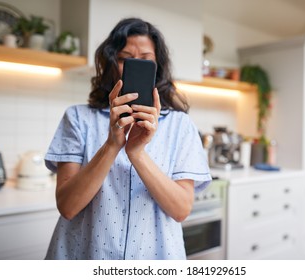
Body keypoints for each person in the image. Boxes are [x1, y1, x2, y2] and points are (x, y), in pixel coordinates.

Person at [44, 17, 211, 260]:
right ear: (111, 63)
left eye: (145, 59)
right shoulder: (78, 118)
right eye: (124, 58)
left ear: (157, 67)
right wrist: (113, 145)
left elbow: (181, 209)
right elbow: (68, 207)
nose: (133, 65)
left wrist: (137, 153)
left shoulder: (180, 125)